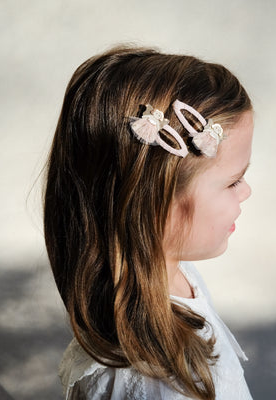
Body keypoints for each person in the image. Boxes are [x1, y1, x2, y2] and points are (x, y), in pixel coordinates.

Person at [43, 45, 254, 400]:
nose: (246, 191)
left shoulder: (176, 276)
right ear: (155, 204)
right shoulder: (153, 384)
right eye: (233, 181)